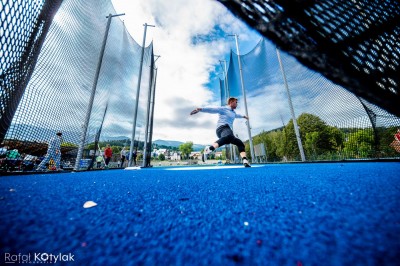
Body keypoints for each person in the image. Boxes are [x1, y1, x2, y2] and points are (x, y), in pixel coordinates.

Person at [190, 97, 251, 167]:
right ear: (231, 102)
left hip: (226, 133)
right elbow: (213, 109)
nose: (237, 104)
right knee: (229, 136)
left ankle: (245, 160)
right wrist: (201, 109)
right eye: (235, 102)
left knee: (240, 143)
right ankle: (209, 149)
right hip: (222, 128)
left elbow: (237, 115)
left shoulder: (233, 113)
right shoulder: (224, 109)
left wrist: (244, 116)